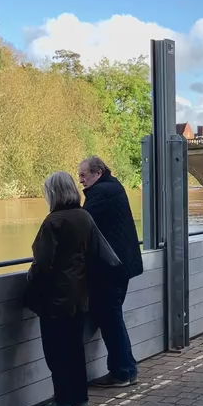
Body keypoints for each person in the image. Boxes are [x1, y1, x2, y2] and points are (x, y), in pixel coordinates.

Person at [25, 171, 99, 406]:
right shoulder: (84, 217)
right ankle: (81, 399)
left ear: (53, 193)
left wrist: (31, 282)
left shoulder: (53, 221)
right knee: (75, 349)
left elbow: (43, 262)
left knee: (56, 351)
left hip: (56, 297)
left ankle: (62, 403)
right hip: (80, 294)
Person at [79, 156, 144, 387]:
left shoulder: (100, 193)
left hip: (109, 269)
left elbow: (81, 223)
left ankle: (123, 371)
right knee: (112, 316)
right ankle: (126, 366)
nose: (81, 180)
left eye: (84, 175)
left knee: (110, 317)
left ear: (97, 172)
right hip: (123, 265)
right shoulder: (114, 186)